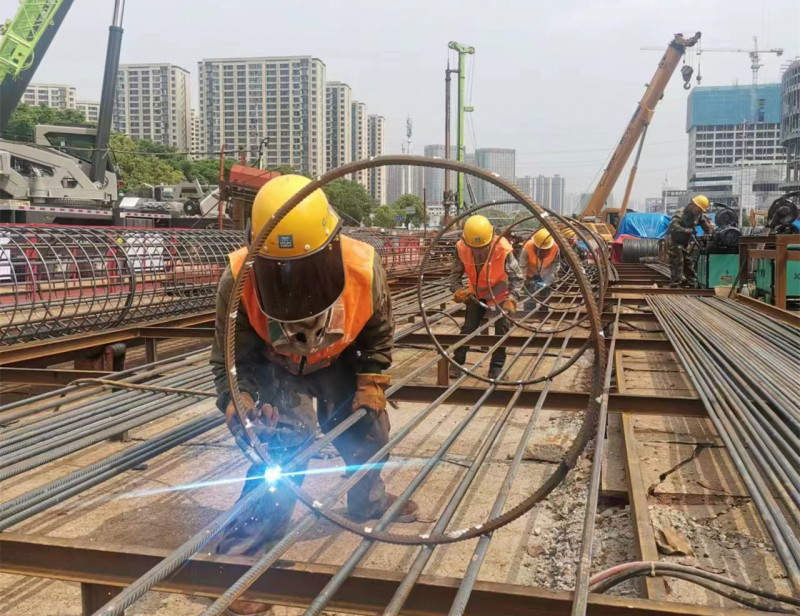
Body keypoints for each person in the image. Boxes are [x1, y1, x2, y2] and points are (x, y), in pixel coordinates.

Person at [210, 175, 417, 616]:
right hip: (276, 365)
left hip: (337, 360)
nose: (291, 282)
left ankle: (369, 501)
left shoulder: (363, 267)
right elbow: (231, 358)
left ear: (330, 247)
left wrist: (370, 382)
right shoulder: (238, 276)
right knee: (281, 454)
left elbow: (379, 333)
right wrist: (239, 399)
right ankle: (237, 561)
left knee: (368, 432)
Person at [448, 214, 524, 380]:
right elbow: (454, 277)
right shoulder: (461, 248)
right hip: (476, 294)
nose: (479, 251)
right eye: (475, 248)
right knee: (469, 328)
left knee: (501, 330)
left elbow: (517, 277)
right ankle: (457, 363)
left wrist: (512, 298)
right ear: (466, 241)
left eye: (483, 247)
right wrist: (459, 291)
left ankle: (496, 368)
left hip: (500, 293)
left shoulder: (503, 249)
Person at [666, 195, 714, 287]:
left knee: (688, 261)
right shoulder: (681, 213)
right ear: (693, 205)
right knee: (678, 259)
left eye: (701, 210)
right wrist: (686, 230)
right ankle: (675, 284)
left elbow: (706, 226)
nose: (699, 212)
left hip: (684, 242)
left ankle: (692, 282)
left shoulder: (698, 215)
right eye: (699, 209)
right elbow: (673, 226)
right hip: (673, 240)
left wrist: (711, 231)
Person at [519, 228, 560, 310]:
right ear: (535, 245)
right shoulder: (527, 247)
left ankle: (543, 312)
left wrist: (550, 278)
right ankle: (529, 314)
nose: (543, 253)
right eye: (540, 250)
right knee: (530, 296)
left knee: (545, 295)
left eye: (546, 250)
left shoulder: (555, 248)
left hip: (546, 274)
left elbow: (555, 264)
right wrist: (523, 280)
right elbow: (522, 267)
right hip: (530, 275)